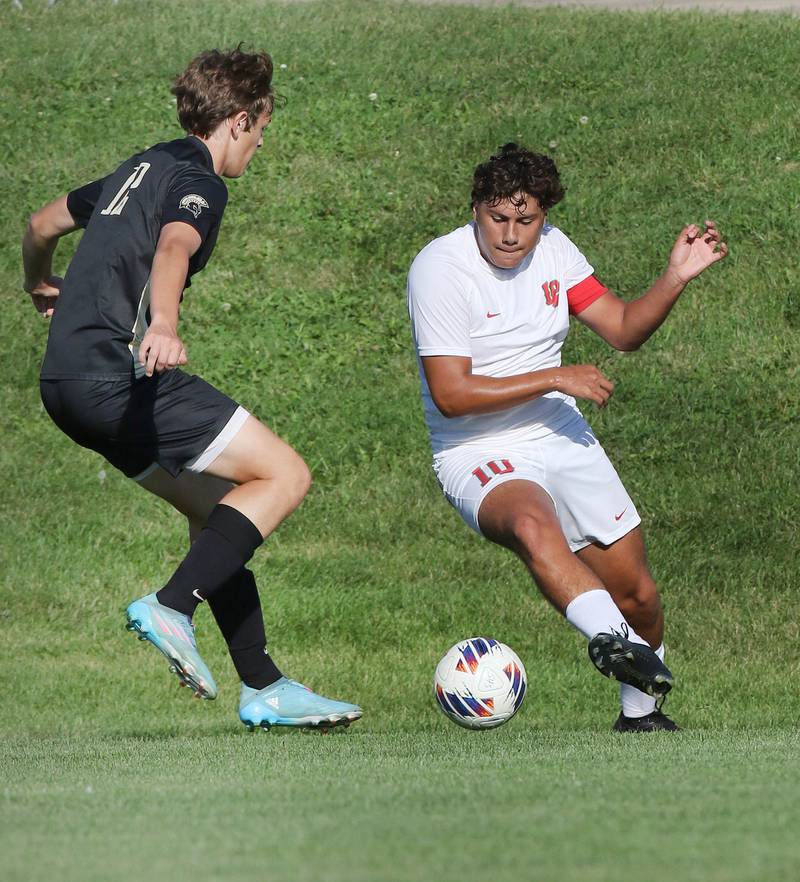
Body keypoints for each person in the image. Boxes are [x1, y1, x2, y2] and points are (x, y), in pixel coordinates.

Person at [23, 46, 361, 732]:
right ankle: (173, 605)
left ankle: (264, 685)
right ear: (239, 120)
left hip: (62, 385)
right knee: (285, 475)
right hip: (112, 375)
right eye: (262, 128)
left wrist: (37, 282)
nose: (261, 143)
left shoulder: (138, 165)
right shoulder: (198, 179)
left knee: (217, 517)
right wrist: (165, 325)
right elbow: (176, 245)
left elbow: (40, 224)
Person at [407, 143, 727, 732]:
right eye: (497, 217)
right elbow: (451, 393)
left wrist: (674, 277)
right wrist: (556, 376)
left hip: (557, 431)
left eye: (525, 220)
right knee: (532, 523)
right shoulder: (440, 267)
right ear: (475, 208)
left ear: (543, 217)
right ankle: (609, 639)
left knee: (638, 596)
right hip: (476, 448)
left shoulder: (555, 252)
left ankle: (639, 718)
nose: (510, 234)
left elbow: (624, 329)